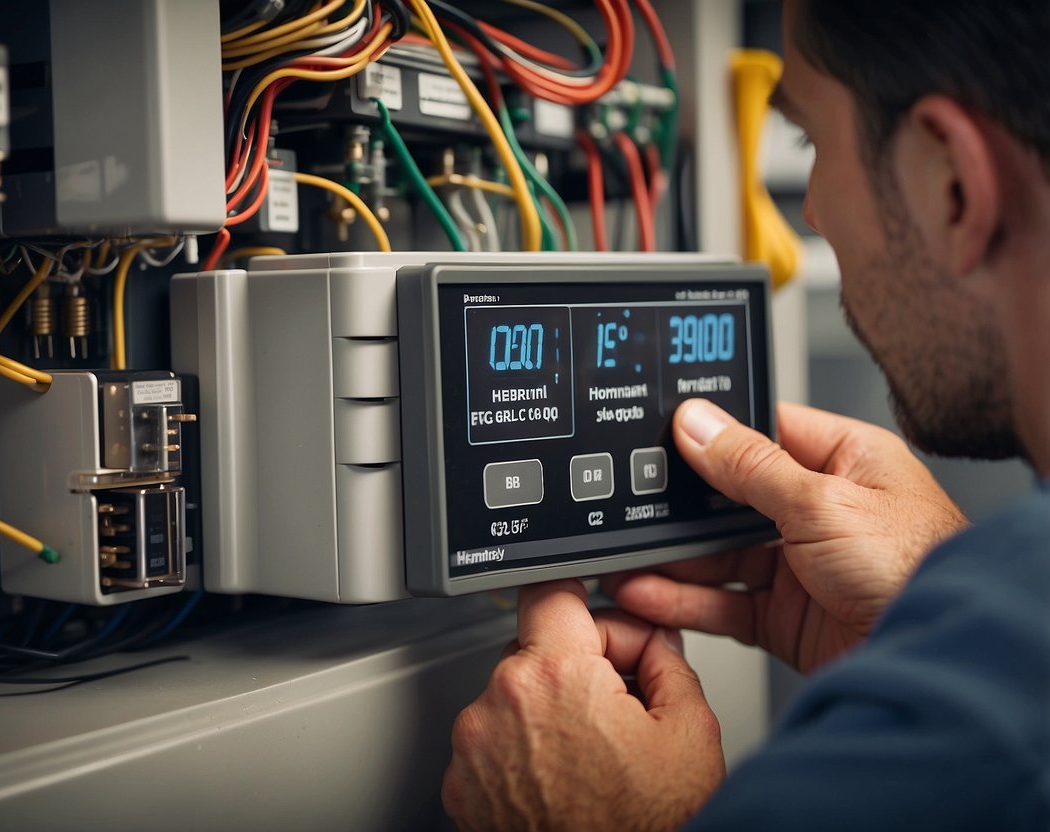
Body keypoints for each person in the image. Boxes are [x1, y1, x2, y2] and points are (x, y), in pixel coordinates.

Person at [441, 0, 1050, 828]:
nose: (810, 213)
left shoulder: (978, 737)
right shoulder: (1003, 633)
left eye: (810, 140)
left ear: (951, 184)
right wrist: (937, 614)